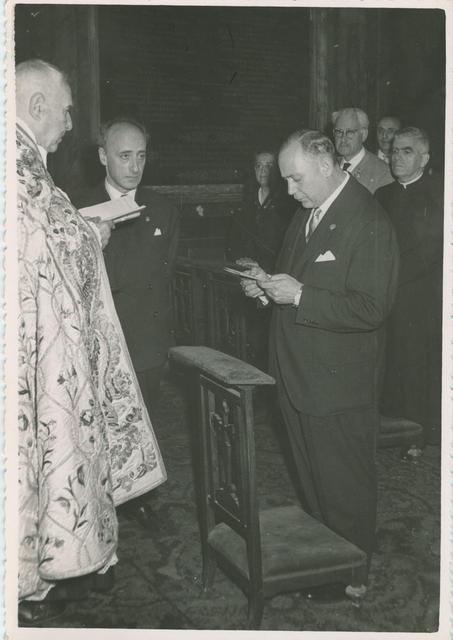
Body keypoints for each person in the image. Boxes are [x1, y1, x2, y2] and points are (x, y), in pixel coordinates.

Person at [16, 59, 166, 625]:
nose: (69, 122)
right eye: (65, 109)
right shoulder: (21, 164)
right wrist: (93, 235)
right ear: (36, 107)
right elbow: (55, 241)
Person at [240, 129, 399, 598]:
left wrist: (299, 295)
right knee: (314, 478)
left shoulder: (367, 219)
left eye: (296, 179)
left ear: (326, 166)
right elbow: (296, 280)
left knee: (344, 484)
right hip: (298, 373)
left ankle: (352, 575)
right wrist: (267, 287)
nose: (289, 190)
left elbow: (372, 307)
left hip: (337, 383)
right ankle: (328, 561)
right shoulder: (308, 213)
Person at [73, 117, 180, 415]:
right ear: (103, 156)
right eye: (124, 156)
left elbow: (164, 275)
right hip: (97, 343)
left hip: (147, 348)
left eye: (141, 156)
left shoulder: (164, 210)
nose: (135, 167)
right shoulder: (77, 208)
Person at [375, 127, 443, 445]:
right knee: (389, 360)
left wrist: (389, 280)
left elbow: (430, 252)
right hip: (384, 294)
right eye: (394, 151)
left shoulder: (438, 194)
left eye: (407, 151)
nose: (397, 157)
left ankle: (419, 433)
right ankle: (393, 425)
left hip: (420, 297)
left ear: (424, 159)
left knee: (417, 361)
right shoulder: (382, 195)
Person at [226, 149, 295, 272]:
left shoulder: (287, 204)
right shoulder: (247, 202)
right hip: (246, 270)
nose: (263, 171)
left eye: (269, 166)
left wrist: (259, 265)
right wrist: (241, 260)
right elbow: (234, 241)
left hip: (274, 272)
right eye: (259, 166)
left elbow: (286, 249)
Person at [332, 107, 393, 193]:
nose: (343, 139)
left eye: (350, 132)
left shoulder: (382, 172)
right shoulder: (330, 166)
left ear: (363, 134)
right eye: (339, 132)